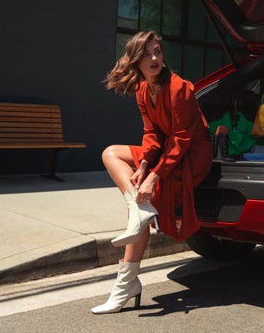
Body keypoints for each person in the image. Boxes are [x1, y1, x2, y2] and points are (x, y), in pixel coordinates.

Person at [91, 30, 213, 314]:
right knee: (110, 153)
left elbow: (182, 139)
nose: (154, 58)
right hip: (167, 152)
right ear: (136, 60)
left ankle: (126, 285)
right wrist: (145, 164)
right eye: (146, 54)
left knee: (143, 201)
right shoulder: (143, 90)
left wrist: (154, 176)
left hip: (192, 156)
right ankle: (138, 210)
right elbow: (152, 133)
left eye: (157, 52)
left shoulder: (180, 88)